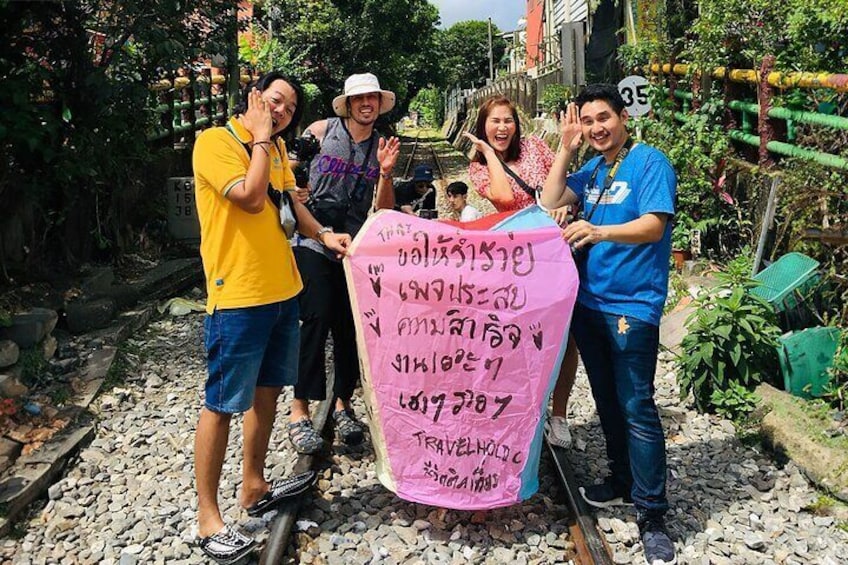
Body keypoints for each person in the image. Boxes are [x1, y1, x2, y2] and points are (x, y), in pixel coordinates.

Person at [192, 72, 351, 563]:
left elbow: (288, 205)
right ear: (254, 97)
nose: (281, 111)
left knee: (267, 394)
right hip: (237, 294)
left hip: (283, 290)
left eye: (289, 107)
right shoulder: (215, 142)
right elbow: (251, 197)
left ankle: (254, 485)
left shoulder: (276, 150)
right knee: (222, 402)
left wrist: (324, 235)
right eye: (274, 101)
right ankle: (207, 516)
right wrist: (262, 136)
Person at [541, 83, 678, 565]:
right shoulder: (594, 167)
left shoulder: (649, 163)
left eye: (604, 118)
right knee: (606, 399)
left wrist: (597, 230)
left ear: (623, 117)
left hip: (632, 304)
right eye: (588, 121)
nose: (596, 128)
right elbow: (549, 196)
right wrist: (565, 147)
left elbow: (654, 225)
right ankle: (622, 481)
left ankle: (652, 513)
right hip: (591, 302)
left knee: (637, 403)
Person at [288, 72, 401, 454]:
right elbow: (287, 168)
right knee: (316, 317)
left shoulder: (382, 146)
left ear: (378, 103)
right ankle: (299, 410)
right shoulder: (321, 131)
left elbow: (383, 209)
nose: (366, 104)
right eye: (359, 99)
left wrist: (385, 173)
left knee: (352, 328)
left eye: (372, 98)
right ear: (348, 104)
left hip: (356, 248)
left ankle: (342, 404)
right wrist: (295, 184)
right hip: (314, 236)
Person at [463, 94, 578, 449]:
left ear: (517, 123)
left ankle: (558, 415)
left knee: (565, 335)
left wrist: (563, 207)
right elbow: (505, 199)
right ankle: (521, 411)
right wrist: (488, 153)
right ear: (483, 125)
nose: (502, 127)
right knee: (518, 339)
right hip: (513, 264)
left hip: (554, 253)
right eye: (494, 121)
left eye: (507, 120)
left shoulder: (537, 147)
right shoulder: (478, 167)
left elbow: (566, 188)